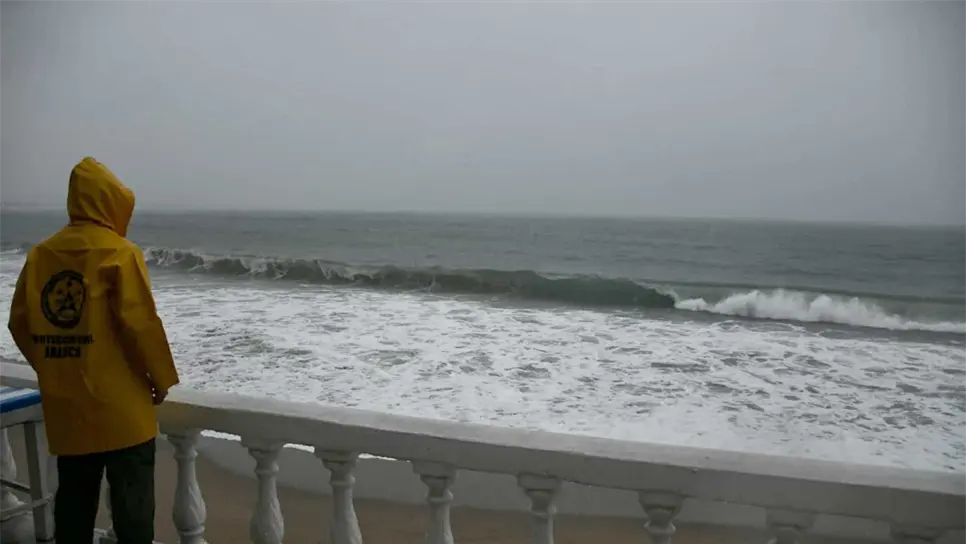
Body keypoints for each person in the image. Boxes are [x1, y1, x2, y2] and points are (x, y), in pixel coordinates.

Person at [7, 157, 180, 544]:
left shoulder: (40, 255)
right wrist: (162, 379)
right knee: (133, 510)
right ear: (109, 203)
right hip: (123, 413)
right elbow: (141, 324)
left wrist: (54, 365)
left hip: (69, 407)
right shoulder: (120, 252)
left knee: (73, 509)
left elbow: (19, 322)